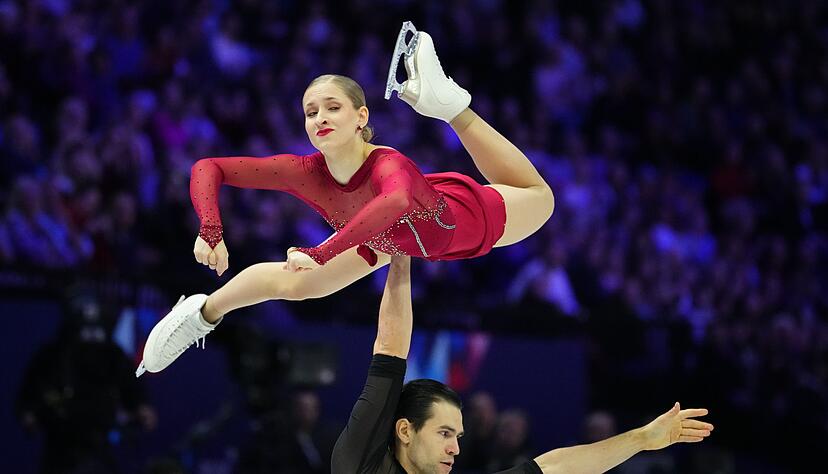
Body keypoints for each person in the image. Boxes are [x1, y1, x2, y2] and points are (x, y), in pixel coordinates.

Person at [137, 24, 554, 376]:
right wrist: (210, 229)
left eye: (332, 107)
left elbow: (394, 203)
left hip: (460, 219)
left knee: (541, 199)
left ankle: (451, 107)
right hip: (386, 237)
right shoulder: (303, 171)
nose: (320, 118)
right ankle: (201, 314)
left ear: (361, 117)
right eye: (310, 111)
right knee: (299, 286)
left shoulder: (390, 165)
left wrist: (322, 252)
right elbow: (209, 167)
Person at [332, 256, 714, 473]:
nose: (456, 449)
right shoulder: (359, 462)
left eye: (458, 437)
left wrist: (642, 439)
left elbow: (557, 467)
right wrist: (401, 258)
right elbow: (391, 350)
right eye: (445, 433)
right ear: (404, 430)